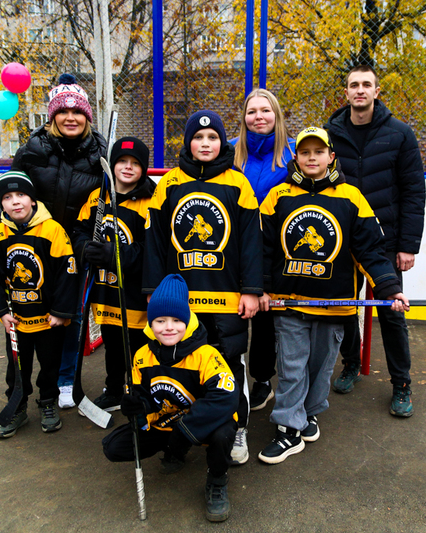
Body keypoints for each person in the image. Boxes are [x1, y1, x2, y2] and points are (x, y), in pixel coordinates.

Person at [257, 127, 409, 464]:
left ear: (331, 156)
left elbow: (370, 250)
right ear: (296, 157)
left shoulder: (351, 197)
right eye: (305, 152)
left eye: (318, 152)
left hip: (334, 305)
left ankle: (309, 413)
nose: (311, 158)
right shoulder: (278, 196)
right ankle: (288, 429)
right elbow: (264, 248)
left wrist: (391, 288)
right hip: (288, 303)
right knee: (292, 367)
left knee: (321, 366)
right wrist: (262, 288)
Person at [142, 110, 263, 465]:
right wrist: (153, 291)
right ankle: (183, 430)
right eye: (198, 137)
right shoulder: (169, 183)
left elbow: (250, 241)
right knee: (183, 367)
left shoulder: (238, 183)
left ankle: (236, 428)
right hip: (182, 302)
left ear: (222, 142)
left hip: (227, 300)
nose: (205, 143)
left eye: (212, 138)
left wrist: (251, 289)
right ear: (188, 142)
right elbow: (155, 241)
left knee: (228, 366)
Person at [324, 64, 426, 417]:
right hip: (341, 241)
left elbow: (414, 192)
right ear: (347, 92)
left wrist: (408, 245)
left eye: (366, 84)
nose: (360, 90)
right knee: (343, 308)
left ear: (376, 91)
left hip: (385, 242)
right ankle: (351, 363)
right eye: (354, 84)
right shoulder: (330, 134)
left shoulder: (400, 134)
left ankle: (402, 383)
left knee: (392, 314)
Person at [5, 73, 107, 411]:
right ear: (52, 116)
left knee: (72, 317)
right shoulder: (33, 150)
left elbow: (114, 194)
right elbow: (12, 193)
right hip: (38, 247)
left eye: (77, 111)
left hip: (78, 249)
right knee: (39, 315)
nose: (70, 117)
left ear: (87, 116)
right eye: (62, 111)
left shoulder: (100, 153)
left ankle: (66, 379)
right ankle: (32, 384)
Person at [102, 274, 238, 522]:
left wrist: (185, 431)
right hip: (166, 421)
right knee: (113, 447)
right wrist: (135, 407)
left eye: (176, 320)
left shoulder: (206, 354)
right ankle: (173, 448)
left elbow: (225, 397)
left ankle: (217, 480)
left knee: (223, 433)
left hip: (199, 424)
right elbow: (141, 395)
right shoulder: (142, 355)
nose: (168, 327)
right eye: (160, 320)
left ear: (187, 320)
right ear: (150, 323)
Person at [0, 171, 79, 438]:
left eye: (21, 194)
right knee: (17, 368)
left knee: (50, 364)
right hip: (17, 318)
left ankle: (47, 402)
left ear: (33, 200)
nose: (15, 201)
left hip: (48, 319)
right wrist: (1, 311)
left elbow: (67, 271)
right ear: (1, 204)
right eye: (7, 197)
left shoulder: (52, 230)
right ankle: (18, 405)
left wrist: (60, 311)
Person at [72, 137, 156, 412]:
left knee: (139, 345)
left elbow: (151, 249)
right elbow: (80, 230)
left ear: (143, 168)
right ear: (112, 165)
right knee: (112, 343)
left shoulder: (150, 202)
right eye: (122, 161)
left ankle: (140, 390)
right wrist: (85, 247)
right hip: (105, 292)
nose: (128, 167)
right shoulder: (97, 198)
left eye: (135, 163)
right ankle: (114, 388)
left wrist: (114, 254)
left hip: (134, 293)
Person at [230, 88, 295, 414]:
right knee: (232, 314)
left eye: (265, 110)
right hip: (233, 248)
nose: (259, 117)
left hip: (274, 249)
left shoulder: (294, 154)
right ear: (244, 117)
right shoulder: (228, 151)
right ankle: (224, 378)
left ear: (277, 114)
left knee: (267, 318)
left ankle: (262, 379)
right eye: (252, 111)